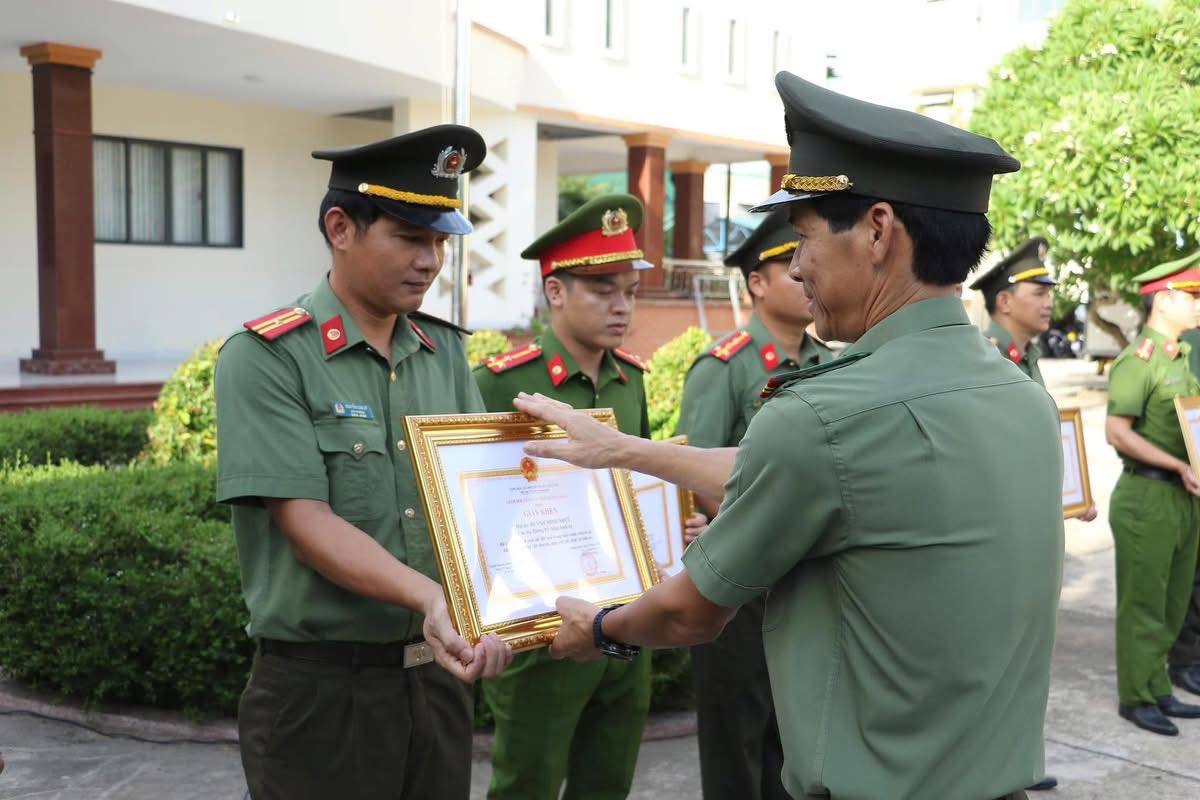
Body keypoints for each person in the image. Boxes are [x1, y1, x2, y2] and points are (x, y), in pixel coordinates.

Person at [510, 71, 1063, 800]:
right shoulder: (1021, 397)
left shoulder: (822, 416)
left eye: (803, 238)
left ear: (877, 230)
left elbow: (689, 613)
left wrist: (603, 627)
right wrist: (619, 449)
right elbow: (814, 474)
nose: (796, 265)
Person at [214, 125, 513, 800]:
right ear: (341, 227)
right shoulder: (268, 357)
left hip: (438, 684)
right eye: (410, 237)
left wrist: (502, 610)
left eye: (440, 241)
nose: (431, 260)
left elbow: (480, 508)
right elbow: (305, 520)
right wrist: (433, 597)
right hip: (322, 698)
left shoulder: (445, 354)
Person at [472, 193, 657, 800]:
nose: (621, 306)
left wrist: (669, 525)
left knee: (609, 780)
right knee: (527, 784)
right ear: (556, 293)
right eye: (603, 289)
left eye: (629, 290)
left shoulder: (631, 383)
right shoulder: (502, 384)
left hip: (625, 617)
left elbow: (639, 484)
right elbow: (468, 506)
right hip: (541, 630)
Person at [675, 207, 830, 800]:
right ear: (756, 283)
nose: (803, 274)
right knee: (737, 744)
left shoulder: (828, 363)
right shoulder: (726, 366)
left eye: (805, 261)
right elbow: (701, 480)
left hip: (806, 581)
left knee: (797, 743)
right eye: (788, 268)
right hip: (740, 586)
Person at [1105, 255, 1200, 736]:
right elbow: (1117, 432)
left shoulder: (1179, 357)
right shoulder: (1138, 360)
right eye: (1193, 295)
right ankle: (1135, 696)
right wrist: (1179, 465)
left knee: (1173, 601)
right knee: (1143, 603)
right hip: (1147, 496)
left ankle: (1158, 685)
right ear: (1163, 300)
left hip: (1184, 499)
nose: (1199, 304)